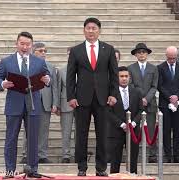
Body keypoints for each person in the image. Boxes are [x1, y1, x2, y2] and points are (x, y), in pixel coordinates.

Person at [0, 32, 50, 178]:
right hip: (14, 104)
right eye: (22, 44)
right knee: (11, 138)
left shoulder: (39, 62)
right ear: (16, 44)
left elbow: (48, 78)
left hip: (33, 104)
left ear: (32, 45)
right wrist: (2, 83)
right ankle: (10, 170)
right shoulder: (7, 61)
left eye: (28, 44)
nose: (25, 47)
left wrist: (47, 80)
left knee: (33, 138)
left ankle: (32, 169)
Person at [66, 17, 118, 177]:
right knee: (81, 134)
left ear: (99, 30)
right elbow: (70, 76)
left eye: (94, 28)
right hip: (82, 98)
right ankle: (81, 167)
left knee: (102, 134)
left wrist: (113, 94)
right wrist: (71, 96)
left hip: (103, 98)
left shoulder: (108, 49)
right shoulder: (76, 50)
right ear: (84, 30)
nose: (91, 31)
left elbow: (114, 74)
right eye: (88, 28)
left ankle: (101, 168)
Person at [20, 42, 58, 164]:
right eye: (41, 51)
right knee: (28, 128)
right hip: (30, 100)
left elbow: (54, 86)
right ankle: (26, 154)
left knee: (44, 130)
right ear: (33, 51)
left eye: (45, 51)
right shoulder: (26, 64)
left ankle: (42, 155)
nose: (43, 53)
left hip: (45, 102)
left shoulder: (51, 67)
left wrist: (55, 103)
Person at [108, 66, 143, 174]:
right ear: (117, 78)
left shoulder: (136, 92)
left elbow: (141, 110)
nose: (124, 78)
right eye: (121, 76)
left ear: (129, 77)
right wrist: (122, 124)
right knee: (115, 160)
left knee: (133, 160)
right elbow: (108, 112)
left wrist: (133, 123)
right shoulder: (110, 92)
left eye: (126, 76)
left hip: (133, 131)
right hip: (116, 131)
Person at [127, 43, 158, 163]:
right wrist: (140, 98)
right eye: (139, 52)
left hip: (150, 104)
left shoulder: (153, 68)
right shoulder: (130, 68)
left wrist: (147, 98)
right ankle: (134, 153)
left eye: (143, 52)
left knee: (151, 129)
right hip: (136, 103)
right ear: (135, 54)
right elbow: (131, 85)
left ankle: (152, 154)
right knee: (135, 129)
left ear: (147, 54)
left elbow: (154, 86)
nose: (141, 54)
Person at [157, 46, 179, 163]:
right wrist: (170, 96)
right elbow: (160, 85)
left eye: (174, 58)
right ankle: (168, 155)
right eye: (169, 58)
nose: (172, 60)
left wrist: (177, 96)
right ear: (166, 56)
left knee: (178, 130)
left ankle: (177, 155)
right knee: (166, 130)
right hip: (165, 103)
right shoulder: (160, 68)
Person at [57, 47, 74, 163]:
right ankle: (66, 155)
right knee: (66, 132)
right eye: (69, 55)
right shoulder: (61, 71)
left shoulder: (83, 69)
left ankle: (79, 153)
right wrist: (57, 105)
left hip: (81, 105)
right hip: (65, 104)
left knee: (80, 132)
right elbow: (58, 89)